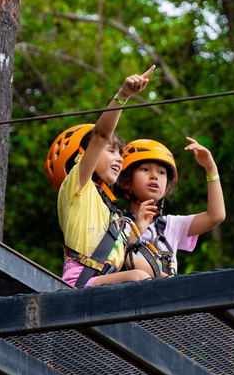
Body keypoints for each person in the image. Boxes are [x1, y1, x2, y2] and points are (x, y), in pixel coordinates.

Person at [45, 65, 156, 288]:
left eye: (121, 154)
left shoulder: (109, 212)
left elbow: (113, 257)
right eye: (111, 151)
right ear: (83, 156)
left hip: (100, 281)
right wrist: (123, 95)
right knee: (140, 279)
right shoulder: (77, 186)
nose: (119, 159)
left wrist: (138, 231)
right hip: (80, 281)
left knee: (154, 280)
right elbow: (100, 134)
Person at [116, 137, 225, 277]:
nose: (154, 176)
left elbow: (216, 216)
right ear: (125, 182)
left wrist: (211, 169)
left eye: (161, 172)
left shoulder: (171, 225)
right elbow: (120, 256)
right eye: (145, 169)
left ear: (166, 188)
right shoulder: (116, 224)